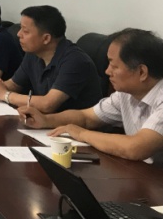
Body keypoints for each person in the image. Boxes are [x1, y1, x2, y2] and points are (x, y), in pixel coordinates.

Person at [19, 28, 163, 165]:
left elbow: (135, 148)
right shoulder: (124, 95)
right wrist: (46, 120)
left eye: (114, 66)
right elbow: (86, 117)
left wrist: (82, 134)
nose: (107, 71)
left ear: (142, 72)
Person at [0, 5, 101, 112]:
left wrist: (5, 95)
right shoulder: (33, 53)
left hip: (74, 127)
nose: (18, 34)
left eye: (25, 31)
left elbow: (48, 104)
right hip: (44, 122)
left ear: (46, 38)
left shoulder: (75, 61)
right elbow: (14, 85)